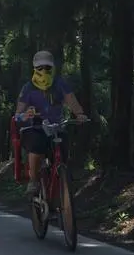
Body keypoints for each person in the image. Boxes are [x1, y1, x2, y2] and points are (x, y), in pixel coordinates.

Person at [15, 50, 88, 195]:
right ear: (35, 68)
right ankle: (34, 181)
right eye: (40, 67)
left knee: (64, 147)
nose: (44, 71)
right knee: (35, 147)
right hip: (34, 127)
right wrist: (24, 115)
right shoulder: (28, 88)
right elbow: (17, 115)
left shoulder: (60, 84)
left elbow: (71, 100)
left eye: (47, 67)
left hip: (56, 127)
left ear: (52, 68)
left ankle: (63, 179)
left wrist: (79, 114)